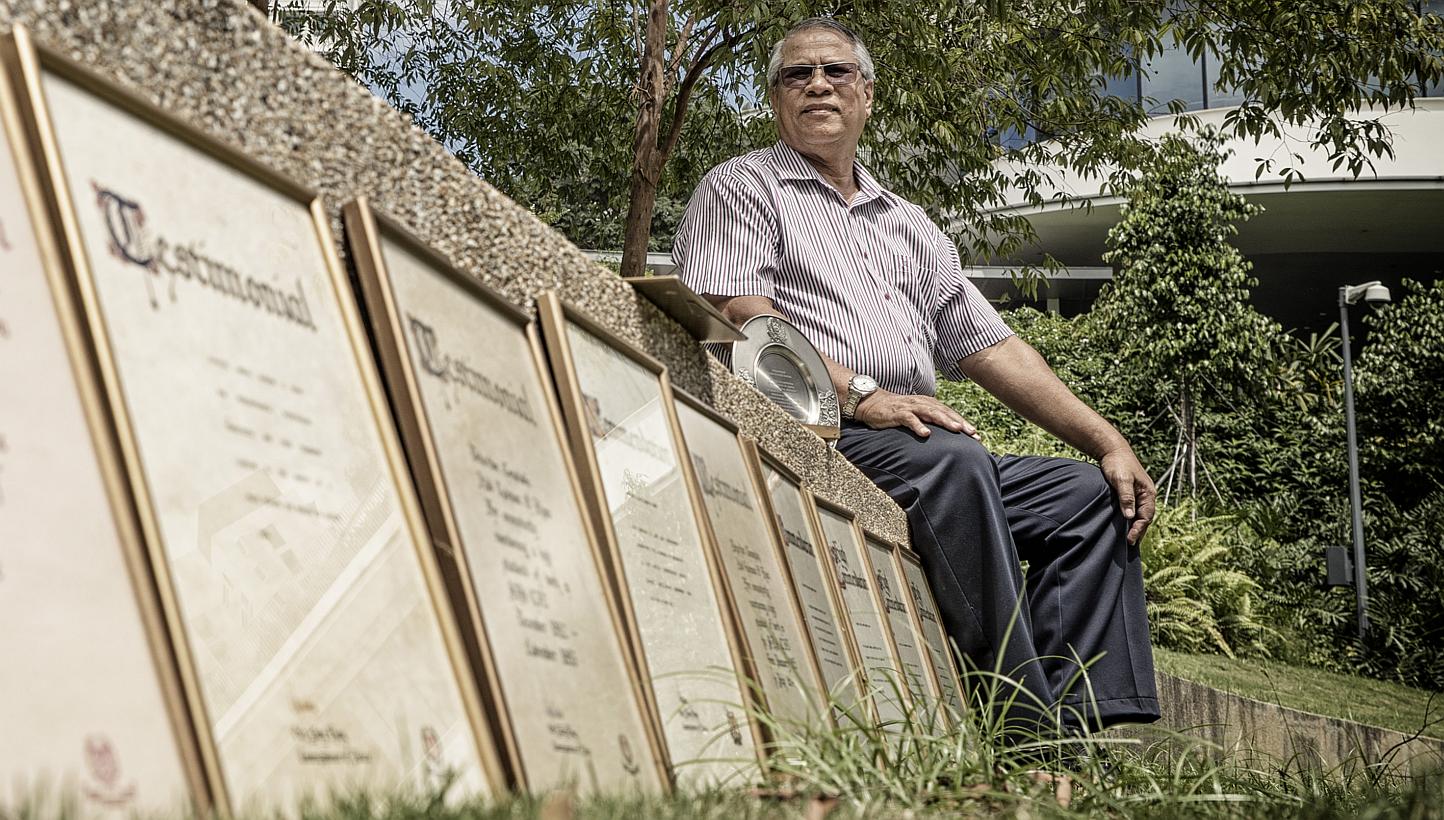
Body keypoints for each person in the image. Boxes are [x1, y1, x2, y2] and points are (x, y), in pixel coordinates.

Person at [672, 17, 1160, 733]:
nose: (816, 84)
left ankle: (1080, 727)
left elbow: (990, 346)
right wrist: (859, 394)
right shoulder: (743, 187)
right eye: (795, 75)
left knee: (1087, 496)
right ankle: (1023, 730)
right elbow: (744, 314)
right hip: (813, 429)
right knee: (952, 462)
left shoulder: (910, 224)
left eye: (835, 71)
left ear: (866, 94)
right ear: (776, 101)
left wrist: (1107, 441)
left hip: (910, 442)